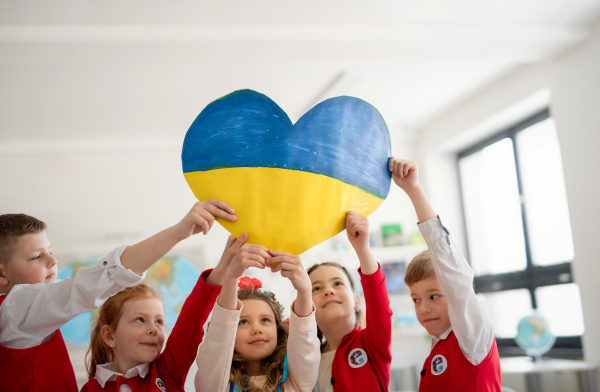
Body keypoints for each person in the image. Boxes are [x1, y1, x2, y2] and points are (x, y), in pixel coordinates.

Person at [0, 200, 237, 392]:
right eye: (36, 257)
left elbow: (190, 324)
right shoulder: (16, 308)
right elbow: (98, 281)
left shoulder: (166, 374)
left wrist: (220, 274)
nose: (53, 261)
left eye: (50, 252)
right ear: (108, 334)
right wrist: (178, 232)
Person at [81, 231, 248, 391]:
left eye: (159, 322)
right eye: (140, 319)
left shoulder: (168, 371)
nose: (154, 329)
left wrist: (222, 270)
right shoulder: (90, 389)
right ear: (110, 336)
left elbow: (189, 323)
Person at [390, 157, 501, 391]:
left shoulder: (471, 338)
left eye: (434, 296)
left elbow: (452, 272)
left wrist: (413, 190)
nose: (423, 309)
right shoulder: (439, 343)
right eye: (416, 300)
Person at [195, 239, 320, 392]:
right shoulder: (216, 385)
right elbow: (220, 333)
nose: (256, 329)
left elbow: (305, 346)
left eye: (265, 320)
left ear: (278, 330)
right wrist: (231, 277)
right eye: (243, 322)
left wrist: (305, 291)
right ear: (230, 335)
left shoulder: (294, 385)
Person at [307, 211, 392, 392]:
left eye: (337, 283)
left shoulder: (371, 344)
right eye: (316, 288)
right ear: (306, 308)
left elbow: (380, 308)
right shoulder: (307, 359)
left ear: (356, 301)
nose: (328, 291)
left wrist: (362, 249)